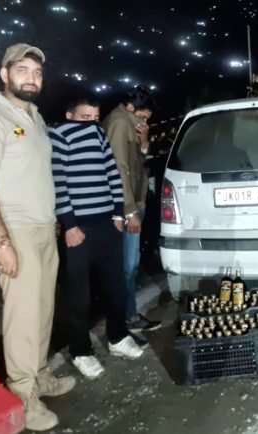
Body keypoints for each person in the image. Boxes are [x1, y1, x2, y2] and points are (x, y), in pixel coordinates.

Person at [0, 43, 75, 432]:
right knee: (22, 318)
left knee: (43, 309)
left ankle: (40, 374)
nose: (31, 78)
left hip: (42, 228)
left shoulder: (33, 116)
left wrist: (52, 221)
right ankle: (23, 397)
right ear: (4, 74)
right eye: (22, 70)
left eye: (37, 72)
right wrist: (2, 242)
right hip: (14, 231)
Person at [48, 98, 145, 381]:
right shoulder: (59, 136)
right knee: (79, 296)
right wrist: (69, 225)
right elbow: (59, 182)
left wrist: (118, 215)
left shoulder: (99, 133)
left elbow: (113, 173)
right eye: (85, 116)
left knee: (115, 287)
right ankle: (81, 352)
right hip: (79, 229)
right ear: (69, 115)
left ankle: (118, 338)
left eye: (95, 116)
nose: (91, 121)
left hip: (107, 224)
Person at [102, 89, 161, 332]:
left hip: (136, 202)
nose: (145, 122)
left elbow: (138, 160)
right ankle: (127, 319)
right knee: (126, 267)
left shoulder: (131, 125)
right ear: (129, 108)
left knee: (131, 265)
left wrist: (145, 141)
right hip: (128, 207)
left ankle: (128, 315)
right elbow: (120, 168)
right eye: (143, 117)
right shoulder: (118, 124)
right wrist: (129, 210)